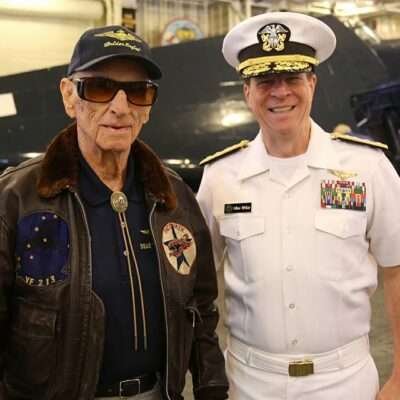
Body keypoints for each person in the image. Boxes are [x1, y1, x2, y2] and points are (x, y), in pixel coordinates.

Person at [0, 25, 228, 400]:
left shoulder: (174, 198)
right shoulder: (17, 199)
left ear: (149, 106)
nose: (120, 108)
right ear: (69, 96)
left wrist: (211, 388)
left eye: (138, 92)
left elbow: (201, 309)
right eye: (100, 88)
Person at [197, 11, 400, 400]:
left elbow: (397, 268)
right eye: (265, 81)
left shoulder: (366, 167)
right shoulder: (221, 177)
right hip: (249, 384)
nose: (280, 92)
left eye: (292, 78)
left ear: (312, 82)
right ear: (247, 91)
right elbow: (192, 286)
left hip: (345, 382)